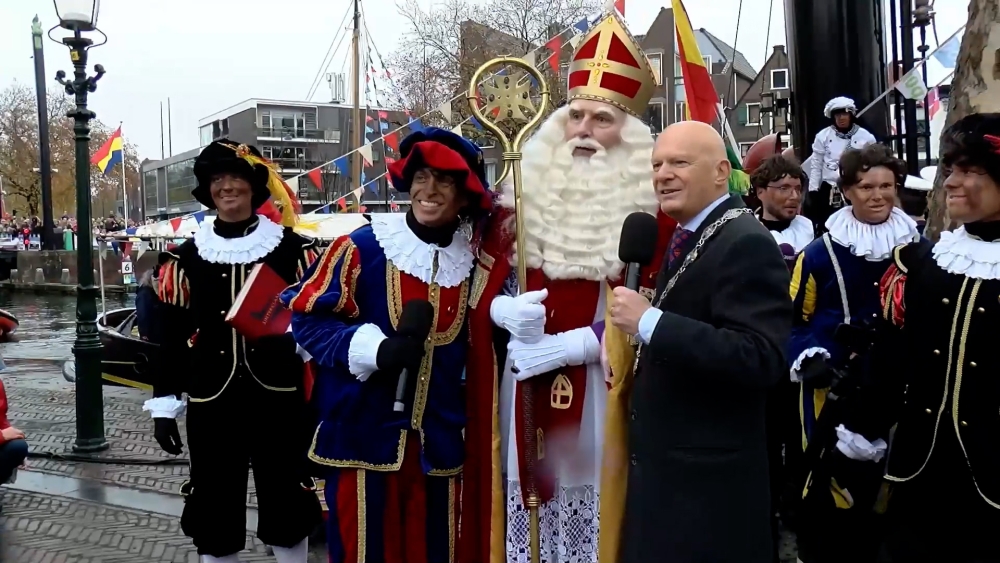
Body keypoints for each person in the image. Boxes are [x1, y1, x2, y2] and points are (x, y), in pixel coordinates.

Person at [459, 12, 673, 563]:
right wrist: (503, 313)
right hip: (521, 385)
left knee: (596, 508)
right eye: (575, 114)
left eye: (602, 119)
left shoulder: (659, 216)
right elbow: (482, 290)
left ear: (630, 135)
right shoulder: (517, 200)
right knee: (525, 506)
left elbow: (666, 306)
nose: (583, 129)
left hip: (606, 395)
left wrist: (585, 342)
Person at [281, 128, 491, 563]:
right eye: (420, 177)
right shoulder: (361, 247)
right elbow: (307, 319)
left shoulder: (476, 266)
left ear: (465, 195)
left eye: (444, 180)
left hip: (441, 449)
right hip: (363, 438)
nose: (428, 190)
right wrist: (371, 350)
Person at [609, 120, 792, 563]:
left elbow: (760, 357)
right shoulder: (691, 233)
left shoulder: (744, 241)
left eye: (679, 163)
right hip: (672, 480)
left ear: (719, 172)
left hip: (709, 492)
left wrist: (652, 323)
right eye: (657, 164)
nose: (663, 174)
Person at [144, 140, 322, 563]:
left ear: (251, 186)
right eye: (218, 180)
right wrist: (166, 403)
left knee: (287, 500)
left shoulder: (293, 251)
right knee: (214, 506)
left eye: (236, 177)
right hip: (212, 400)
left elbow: (320, 323)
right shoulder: (184, 259)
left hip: (279, 399)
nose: (227, 187)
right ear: (208, 191)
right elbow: (170, 337)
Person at [868, 113, 1000, 563]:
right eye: (951, 170)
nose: (951, 183)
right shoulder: (926, 261)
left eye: (969, 171)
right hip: (919, 472)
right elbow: (891, 359)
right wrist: (862, 430)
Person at [788, 144, 920, 563]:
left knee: (893, 492)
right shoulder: (817, 255)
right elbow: (792, 321)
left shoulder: (921, 251)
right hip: (834, 390)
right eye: (866, 186)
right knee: (833, 490)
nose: (878, 195)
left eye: (886, 186)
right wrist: (811, 358)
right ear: (846, 190)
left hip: (901, 391)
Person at [805, 97, 877, 227]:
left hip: (856, 188)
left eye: (844, 114)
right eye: (837, 115)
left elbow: (873, 165)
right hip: (830, 190)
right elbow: (816, 164)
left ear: (851, 115)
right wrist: (813, 190)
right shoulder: (822, 136)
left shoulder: (866, 137)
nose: (841, 118)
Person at [751, 154, 815, 268]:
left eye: (798, 189)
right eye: (784, 188)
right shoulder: (747, 233)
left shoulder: (811, 231)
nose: (795, 196)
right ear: (760, 192)